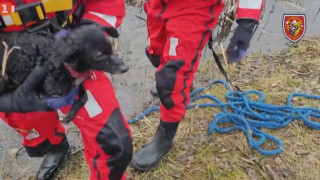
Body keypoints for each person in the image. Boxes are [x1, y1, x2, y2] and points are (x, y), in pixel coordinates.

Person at [0, 0, 133, 180]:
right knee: (30, 123)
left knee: (113, 142)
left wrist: (90, 30)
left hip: (71, 56)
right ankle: (56, 145)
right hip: (9, 66)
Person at [131, 0, 265, 171]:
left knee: (171, 76)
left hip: (194, 7)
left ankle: (165, 136)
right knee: (157, 53)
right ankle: (181, 82)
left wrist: (246, 23)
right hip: (158, 4)